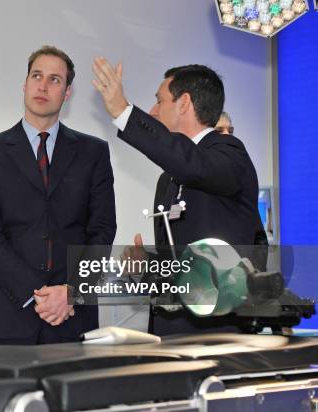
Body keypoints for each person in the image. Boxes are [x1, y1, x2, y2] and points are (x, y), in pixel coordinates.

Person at [92, 58, 262, 335]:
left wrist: (125, 113)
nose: (152, 110)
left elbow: (193, 164)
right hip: (171, 328)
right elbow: (179, 262)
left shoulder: (229, 152)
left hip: (217, 330)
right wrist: (146, 265)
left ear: (184, 104)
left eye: (159, 101)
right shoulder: (168, 178)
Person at [0, 46, 117, 345]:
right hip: (9, 314)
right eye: (37, 76)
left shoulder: (93, 152)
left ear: (67, 93)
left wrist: (70, 291)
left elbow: (101, 230)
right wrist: (36, 294)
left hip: (72, 315)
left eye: (54, 80)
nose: (43, 85)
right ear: (24, 84)